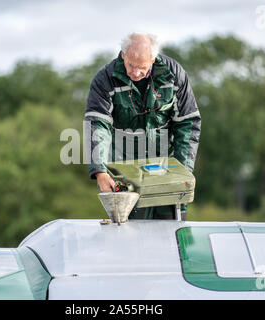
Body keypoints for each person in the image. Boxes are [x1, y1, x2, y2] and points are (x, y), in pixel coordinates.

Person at [84, 32, 201, 220]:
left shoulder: (175, 75)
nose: (136, 73)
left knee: (171, 236)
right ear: (123, 55)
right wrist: (99, 171)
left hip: (166, 168)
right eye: (131, 65)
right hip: (125, 172)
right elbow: (98, 125)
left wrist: (183, 171)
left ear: (153, 59)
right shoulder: (104, 79)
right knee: (130, 237)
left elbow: (188, 122)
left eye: (142, 67)